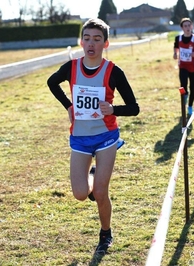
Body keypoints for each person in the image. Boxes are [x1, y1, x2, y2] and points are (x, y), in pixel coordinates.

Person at [47, 18, 140, 254]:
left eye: (97, 39)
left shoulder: (113, 71)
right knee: (80, 194)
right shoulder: (71, 67)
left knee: (100, 192)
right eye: (87, 38)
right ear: (81, 41)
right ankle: (92, 172)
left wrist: (113, 109)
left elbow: (134, 107)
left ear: (105, 43)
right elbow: (52, 82)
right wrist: (68, 106)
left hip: (106, 136)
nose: (91, 43)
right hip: (79, 137)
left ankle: (105, 234)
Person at [173, 18, 194, 115]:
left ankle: (190, 106)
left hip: (193, 68)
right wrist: (175, 53)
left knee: (193, 88)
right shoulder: (178, 38)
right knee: (183, 86)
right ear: (182, 28)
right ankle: (185, 96)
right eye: (185, 26)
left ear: (191, 26)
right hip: (183, 66)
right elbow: (176, 46)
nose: (187, 28)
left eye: (189, 25)